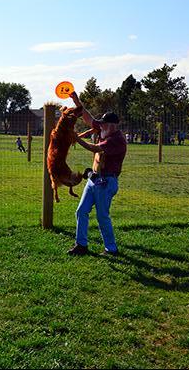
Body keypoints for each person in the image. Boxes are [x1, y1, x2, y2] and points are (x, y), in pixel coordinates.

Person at [67, 91, 127, 256]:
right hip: (94, 179)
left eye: (103, 124)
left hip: (107, 182)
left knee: (102, 216)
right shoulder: (105, 130)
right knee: (81, 211)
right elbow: (87, 118)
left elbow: (95, 148)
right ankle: (81, 245)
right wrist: (76, 100)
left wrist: (76, 138)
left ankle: (111, 248)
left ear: (113, 126)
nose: (100, 126)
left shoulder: (117, 140)